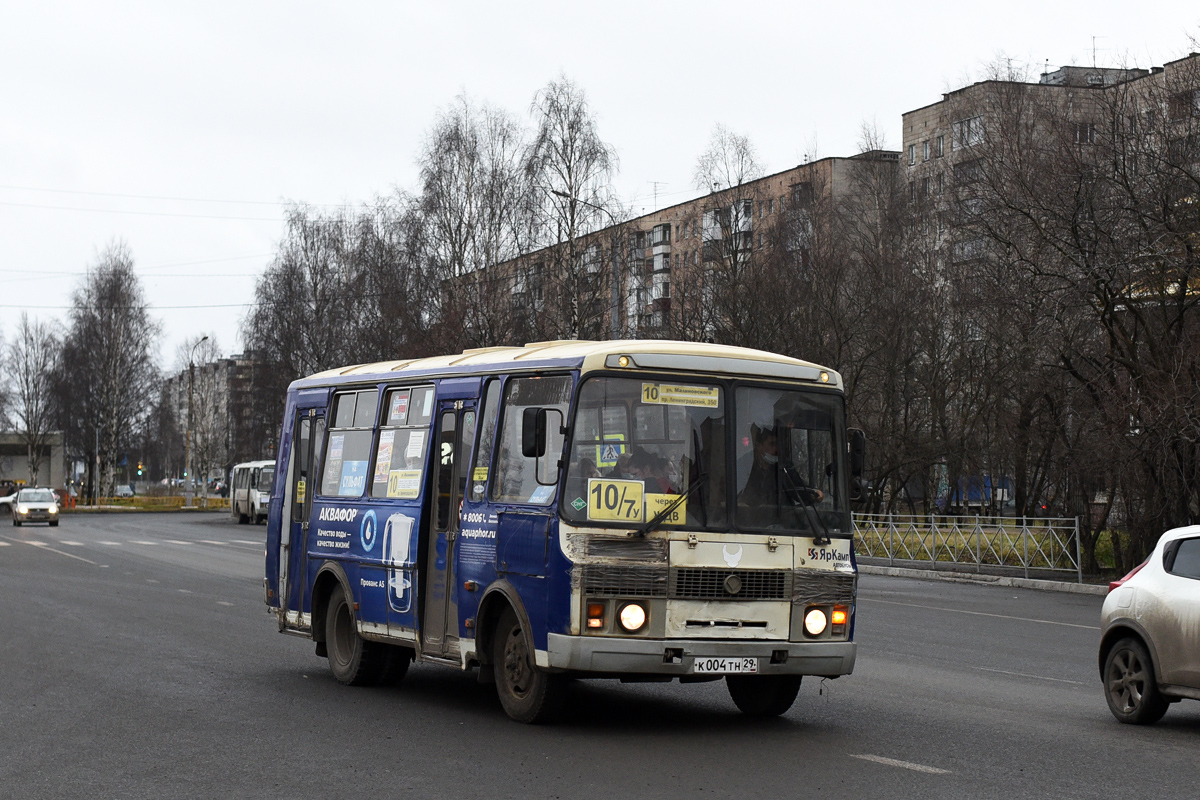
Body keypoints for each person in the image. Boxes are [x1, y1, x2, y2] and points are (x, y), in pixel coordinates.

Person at [738, 426, 823, 527]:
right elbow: (736, 494)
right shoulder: (744, 465)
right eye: (772, 444)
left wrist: (812, 493)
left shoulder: (784, 466)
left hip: (784, 525)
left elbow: (797, 487)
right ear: (759, 446)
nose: (776, 449)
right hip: (751, 526)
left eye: (778, 444)